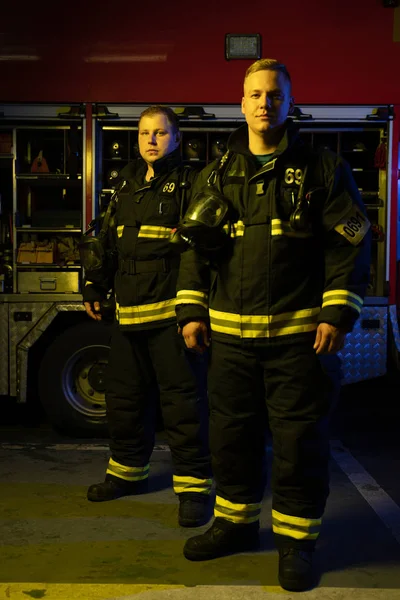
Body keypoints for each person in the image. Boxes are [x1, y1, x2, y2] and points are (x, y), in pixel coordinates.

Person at [174, 59, 371, 590]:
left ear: (289, 102)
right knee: (231, 438)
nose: (265, 104)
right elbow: (194, 251)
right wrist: (190, 310)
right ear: (241, 103)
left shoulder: (324, 171)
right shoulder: (216, 174)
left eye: (275, 96)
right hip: (231, 343)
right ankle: (235, 526)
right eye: (256, 95)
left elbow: (350, 241)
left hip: (297, 341)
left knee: (298, 442)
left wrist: (336, 311)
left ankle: (296, 542)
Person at [82, 105, 212, 528]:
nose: (151, 141)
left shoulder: (193, 182)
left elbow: (199, 249)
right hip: (127, 315)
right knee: (124, 401)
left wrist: (193, 311)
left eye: (160, 133)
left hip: (170, 316)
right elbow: (106, 238)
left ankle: (193, 488)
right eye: (144, 133)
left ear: (176, 138)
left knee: (182, 405)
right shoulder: (126, 182)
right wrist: (94, 284)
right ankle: (127, 474)